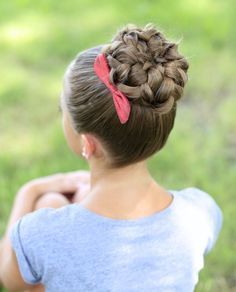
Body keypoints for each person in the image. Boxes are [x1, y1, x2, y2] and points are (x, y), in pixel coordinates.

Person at [0, 23, 223, 292]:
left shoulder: (39, 234)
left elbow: (11, 281)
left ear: (88, 143)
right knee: (53, 203)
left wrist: (29, 191)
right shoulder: (200, 212)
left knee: (48, 203)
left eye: (63, 110)